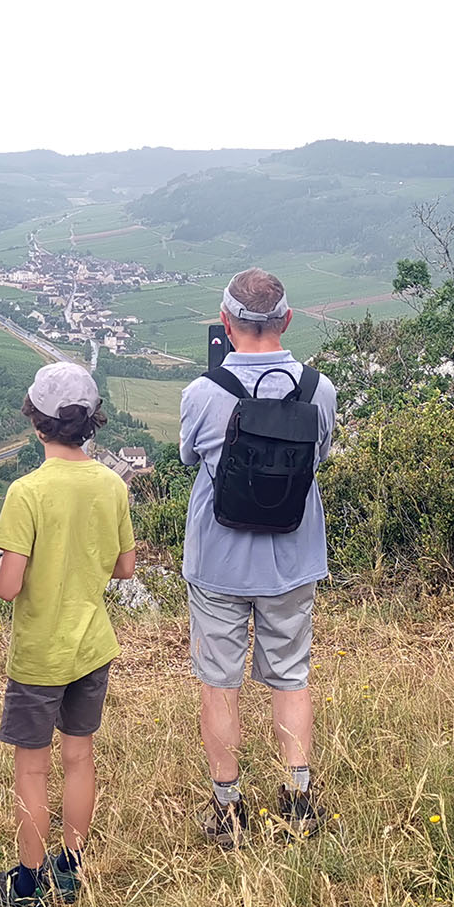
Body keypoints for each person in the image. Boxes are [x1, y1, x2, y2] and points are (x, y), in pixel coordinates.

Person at [178, 268, 338, 847]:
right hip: (292, 557)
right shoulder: (319, 389)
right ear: (286, 320)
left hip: (218, 561)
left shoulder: (204, 391)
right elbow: (318, 455)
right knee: (291, 677)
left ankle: (227, 809)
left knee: (219, 683)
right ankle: (298, 801)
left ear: (226, 322)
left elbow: (189, 457)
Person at [0, 361, 136, 907]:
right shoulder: (110, 483)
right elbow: (124, 567)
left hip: (39, 654)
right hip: (92, 644)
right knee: (79, 757)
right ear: (90, 422)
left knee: (32, 768)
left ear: (36, 422)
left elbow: (8, 588)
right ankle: (69, 872)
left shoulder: (26, 492)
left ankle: (27, 882)